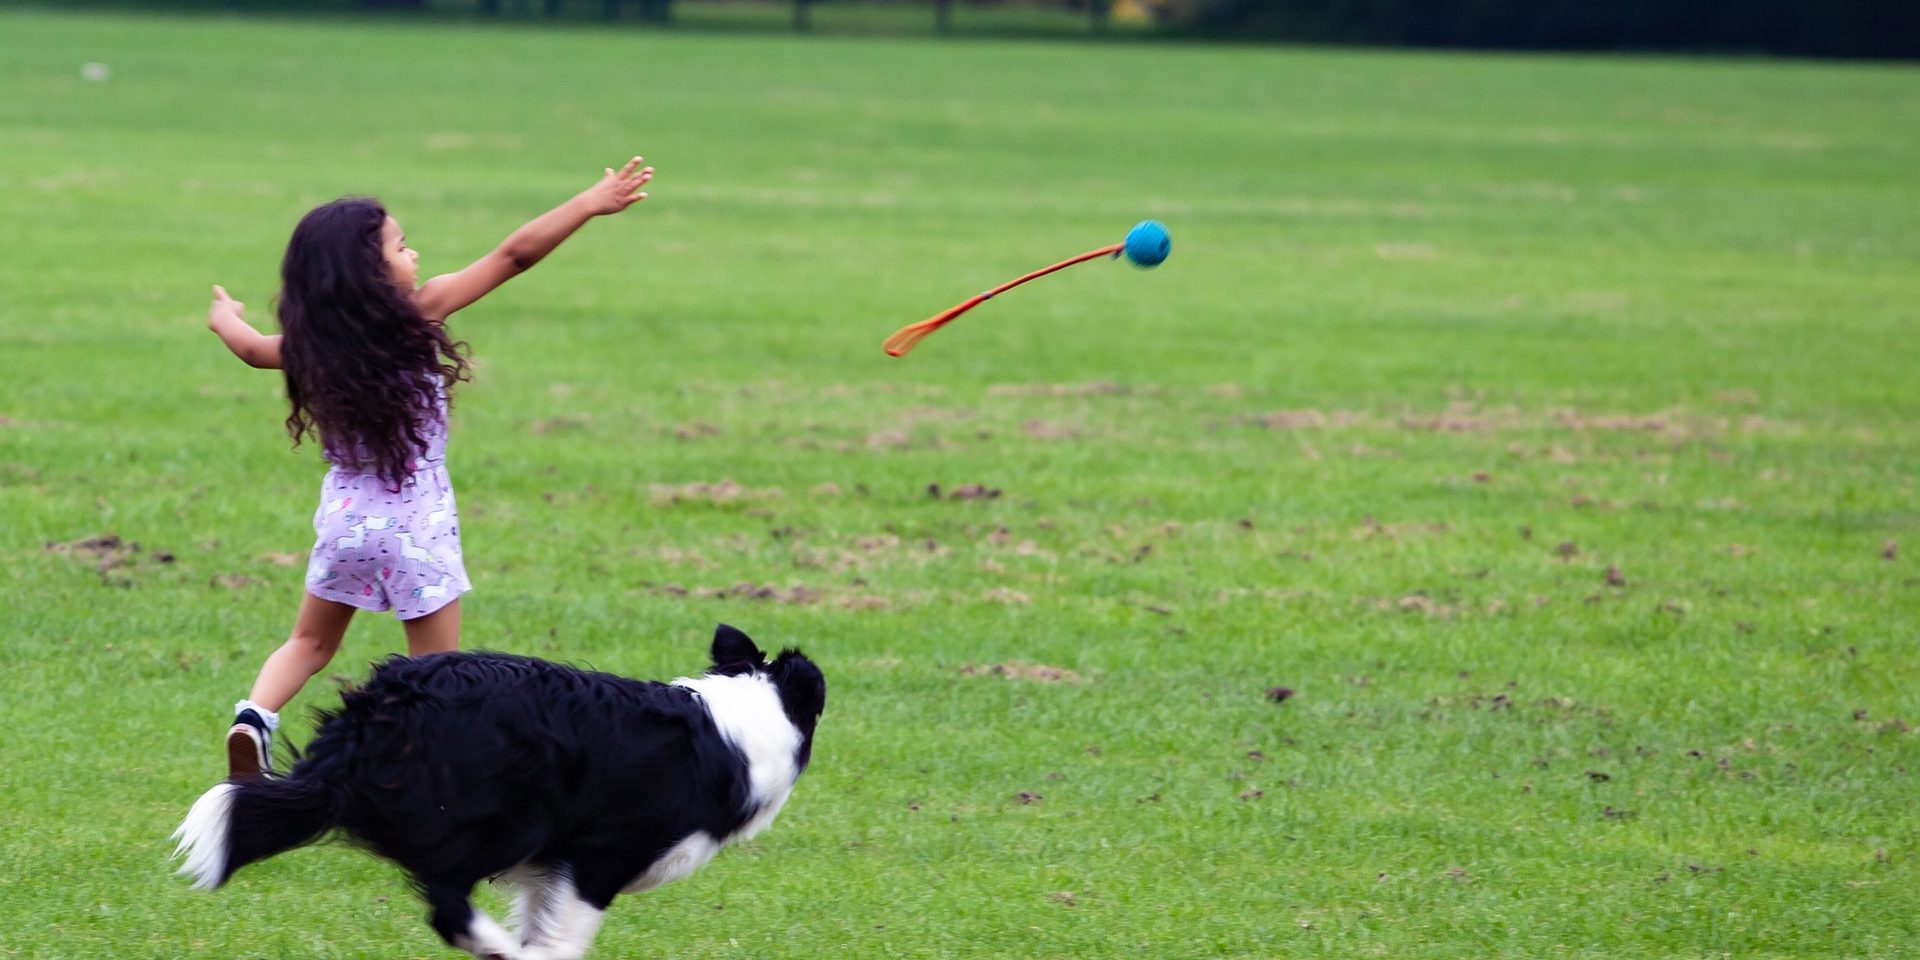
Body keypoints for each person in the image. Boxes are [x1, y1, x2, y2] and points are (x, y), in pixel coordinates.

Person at [204, 156, 655, 778]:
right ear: (370, 270)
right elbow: (513, 255)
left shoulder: (311, 345)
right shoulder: (420, 314)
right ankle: (422, 777)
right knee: (437, 677)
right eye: (402, 245)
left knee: (308, 644)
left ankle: (254, 716)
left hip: (345, 524)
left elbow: (252, 348)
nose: (414, 256)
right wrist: (588, 202)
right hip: (417, 526)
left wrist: (223, 314)